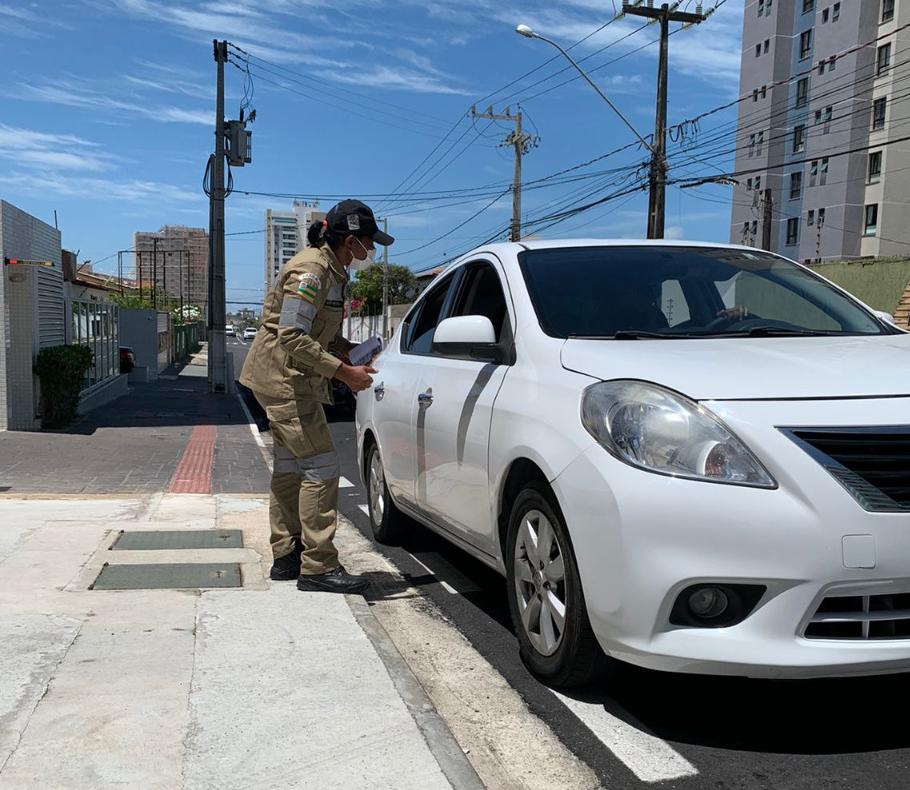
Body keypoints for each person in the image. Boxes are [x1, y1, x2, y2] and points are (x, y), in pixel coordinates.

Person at [240, 199, 394, 594]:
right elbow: (291, 336)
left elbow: (314, 332)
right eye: (367, 243)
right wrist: (344, 372)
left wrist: (348, 349)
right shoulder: (311, 271)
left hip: (285, 379)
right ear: (351, 240)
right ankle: (319, 566)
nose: (371, 252)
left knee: (291, 469)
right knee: (323, 466)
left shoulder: (333, 270)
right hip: (285, 382)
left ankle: (287, 554)